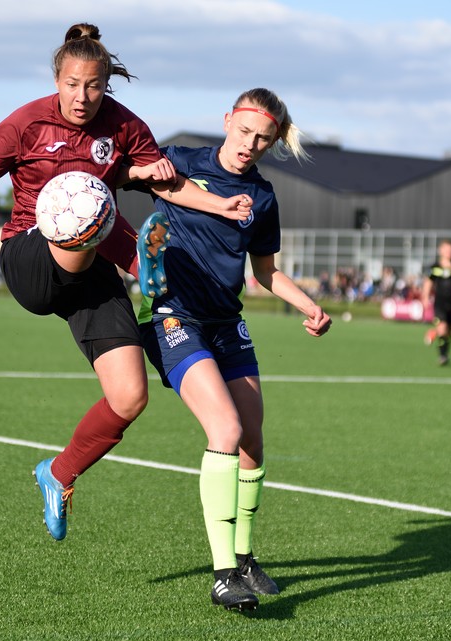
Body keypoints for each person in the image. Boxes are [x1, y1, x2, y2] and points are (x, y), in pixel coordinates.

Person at [0, 23, 252, 542]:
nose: (82, 96)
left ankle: (58, 474)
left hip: (91, 262)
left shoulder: (123, 125)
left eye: (94, 86)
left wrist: (219, 205)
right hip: (29, 255)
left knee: (129, 396)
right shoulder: (27, 123)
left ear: (106, 85)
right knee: (87, 200)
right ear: (57, 80)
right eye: (73, 84)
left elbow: (167, 181)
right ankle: (141, 264)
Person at [132, 88, 332, 611]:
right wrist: (144, 180)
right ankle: (223, 575)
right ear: (227, 121)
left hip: (227, 324)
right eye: (244, 131)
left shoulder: (262, 197)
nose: (249, 144)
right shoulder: (180, 161)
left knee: (252, 442)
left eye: (262, 138)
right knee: (224, 430)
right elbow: (126, 174)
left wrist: (309, 306)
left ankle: (244, 558)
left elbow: (265, 272)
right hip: (174, 317)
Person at [420, 240, 451, 366]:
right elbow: (428, 281)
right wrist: (425, 297)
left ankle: (445, 353)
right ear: (440, 251)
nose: (448, 252)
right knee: (442, 328)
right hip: (440, 304)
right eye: (446, 250)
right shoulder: (435, 266)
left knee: (449, 332)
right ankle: (442, 356)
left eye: (450, 250)